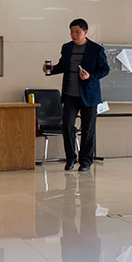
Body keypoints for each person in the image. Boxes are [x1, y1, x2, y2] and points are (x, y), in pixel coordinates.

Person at [44, 18, 110, 172]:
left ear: (85, 32)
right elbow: (63, 66)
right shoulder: (67, 47)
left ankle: (86, 161)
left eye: (77, 32)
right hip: (70, 95)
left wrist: (90, 76)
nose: (74, 35)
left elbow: (105, 69)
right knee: (67, 125)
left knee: (88, 129)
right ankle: (71, 159)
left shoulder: (96, 49)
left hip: (89, 96)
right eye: (72, 32)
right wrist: (52, 69)